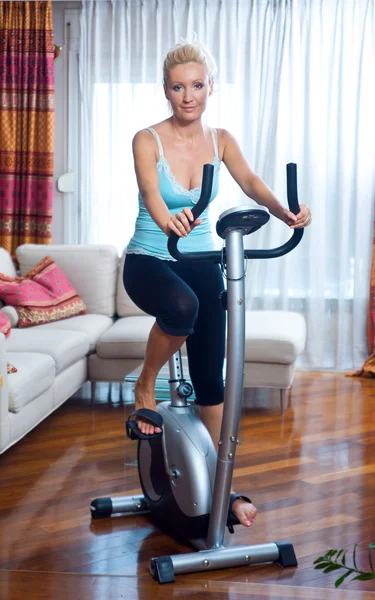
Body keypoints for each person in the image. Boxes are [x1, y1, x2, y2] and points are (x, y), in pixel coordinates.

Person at [123, 41, 312, 529]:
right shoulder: (147, 138)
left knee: (213, 382)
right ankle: (146, 385)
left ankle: (226, 490)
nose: (188, 96)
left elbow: (249, 181)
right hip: (150, 260)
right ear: (165, 90)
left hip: (202, 258)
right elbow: (150, 193)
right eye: (178, 87)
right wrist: (169, 223)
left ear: (211, 86)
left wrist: (283, 212)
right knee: (182, 306)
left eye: (197, 85)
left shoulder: (221, 138)